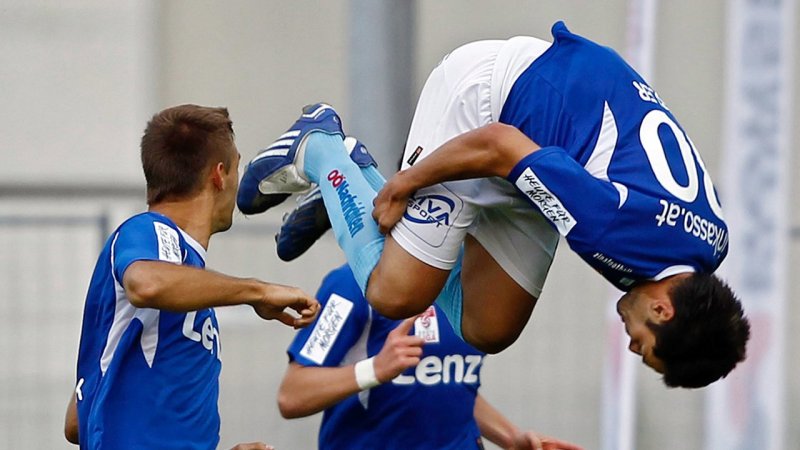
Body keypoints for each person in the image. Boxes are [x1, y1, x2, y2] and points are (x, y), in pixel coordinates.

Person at [237, 21, 750, 388]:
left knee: (490, 328)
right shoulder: (611, 230)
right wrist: (402, 186)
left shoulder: (708, 248)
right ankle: (323, 147)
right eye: (646, 350)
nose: (633, 347)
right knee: (395, 296)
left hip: (545, 146)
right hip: (490, 100)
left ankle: (351, 186)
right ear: (663, 309)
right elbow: (498, 145)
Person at [66, 104, 319, 449]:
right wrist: (257, 291)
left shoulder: (186, 282)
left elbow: (76, 422)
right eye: (238, 166)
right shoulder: (151, 230)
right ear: (218, 175)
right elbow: (148, 283)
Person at [278, 263, 583, 450]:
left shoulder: (475, 287)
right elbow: (292, 395)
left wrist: (510, 438)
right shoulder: (355, 283)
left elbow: (447, 383)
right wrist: (376, 369)